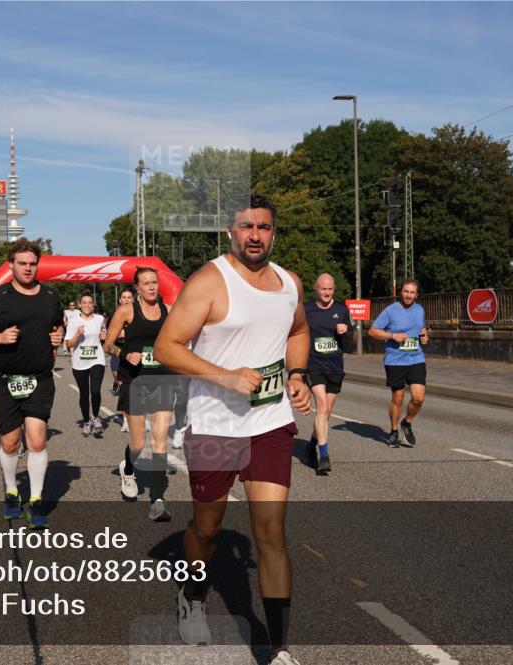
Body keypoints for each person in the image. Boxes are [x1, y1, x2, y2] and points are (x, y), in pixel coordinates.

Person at [154, 194, 311, 665]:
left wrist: (298, 375)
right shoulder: (209, 281)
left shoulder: (289, 283)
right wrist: (224, 377)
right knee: (207, 528)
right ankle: (193, 591)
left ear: (274, 232)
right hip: (216, 426)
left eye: (263, 226)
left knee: (271, 533)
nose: (255, 235)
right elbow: (166, 346)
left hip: (270, 422)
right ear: (230, 232)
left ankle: (277, 649)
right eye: (246, 227)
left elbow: (298, 331)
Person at [0, 238, 64, 529]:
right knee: (10, 444)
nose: (27, 268)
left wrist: (58, 335)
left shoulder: (50, 295)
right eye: (22, 263)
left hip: (40, 380)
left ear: (38, 265)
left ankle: (36, 500)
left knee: (36, 439)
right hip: (4, 381)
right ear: (11, 265)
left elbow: (58, 323)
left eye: (32, 264)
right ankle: (11, 491)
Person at [105, 267, 174, 522]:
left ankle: (157, 499)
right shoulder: (127, 311)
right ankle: (129, 468)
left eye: (154, 282)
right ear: (137, 288)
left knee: (159, 441)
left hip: (162, 380)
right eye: (146, 283)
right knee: (138, 444)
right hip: (134, 380)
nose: (152, 287)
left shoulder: (168, 311)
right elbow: (108, 344)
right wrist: (124, 354)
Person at [368, 278, 429, 448]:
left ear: (417, 294)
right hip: (395, 360)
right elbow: (372, 331)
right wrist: (392, 336)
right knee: (398, 397)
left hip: (416, 358)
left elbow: (421, 328)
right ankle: (394, 431)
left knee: (418, 398)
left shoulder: (420, 309)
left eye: (412, 292)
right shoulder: (390, 311)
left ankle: (407, 423)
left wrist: (424, 337)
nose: (408, 295)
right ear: (401, 292)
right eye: (406, 291)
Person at [304, 273, 353, 474]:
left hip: (335, 366)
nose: (327, 292)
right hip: (314, 365)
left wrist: (346, 331)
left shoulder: (342, 310)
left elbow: (352, 339)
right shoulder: (306, 310)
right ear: (316, 288)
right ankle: (324, 455)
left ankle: (311, 444)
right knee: (322, 407)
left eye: (330, 289)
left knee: (327, 412)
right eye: (323, 289)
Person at [65, 291, 107, 436]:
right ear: (79, 305)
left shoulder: (100, 319)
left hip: (97, 359)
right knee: (84, 393)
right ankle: (86, 421)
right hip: (79, 362)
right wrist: (77, 334)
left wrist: (105, 336)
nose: (87, 305)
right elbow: (68, 344)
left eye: (90, 303)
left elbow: (104, 334)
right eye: (84, 303)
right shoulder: (73, 321)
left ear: (93, 305)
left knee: (95, 390)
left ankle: (95, 418)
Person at [108, 287, 134, 429]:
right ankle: (125, 419)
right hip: (118, 356)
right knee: (123, 387)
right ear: (120, 299)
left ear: (133, 299)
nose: (126, 299)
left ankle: (136, 416)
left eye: (129, 297)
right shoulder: (114, 317)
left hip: (134, 356)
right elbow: (107, 340)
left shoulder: (138, 316)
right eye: (124, 297)